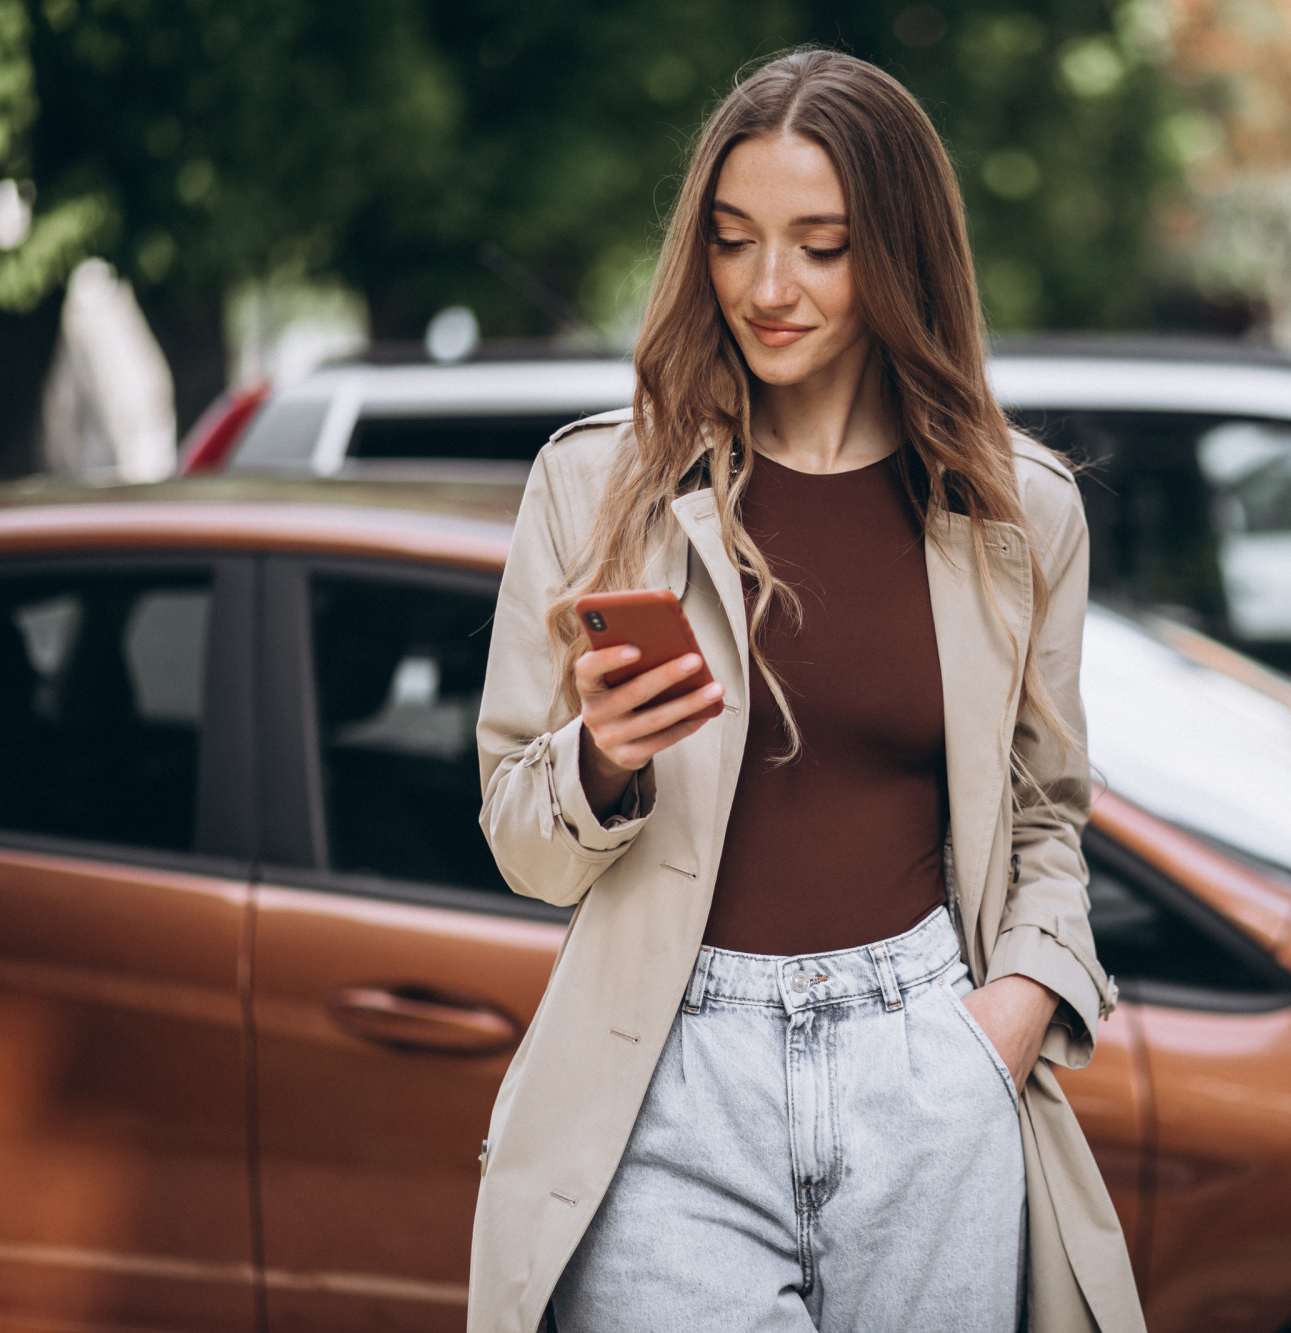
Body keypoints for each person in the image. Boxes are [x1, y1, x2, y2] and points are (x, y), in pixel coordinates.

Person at [467, 47, 1143, 1333]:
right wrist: (600, 760)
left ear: (900, 256)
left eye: (821, 247)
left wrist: (1013, 1011)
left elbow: (1046, 809)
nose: (766, 288)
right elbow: (519, 838)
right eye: (732, 242)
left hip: (928, 1063)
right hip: (666, 1079)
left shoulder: (1016, 512)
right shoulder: (596, 487)